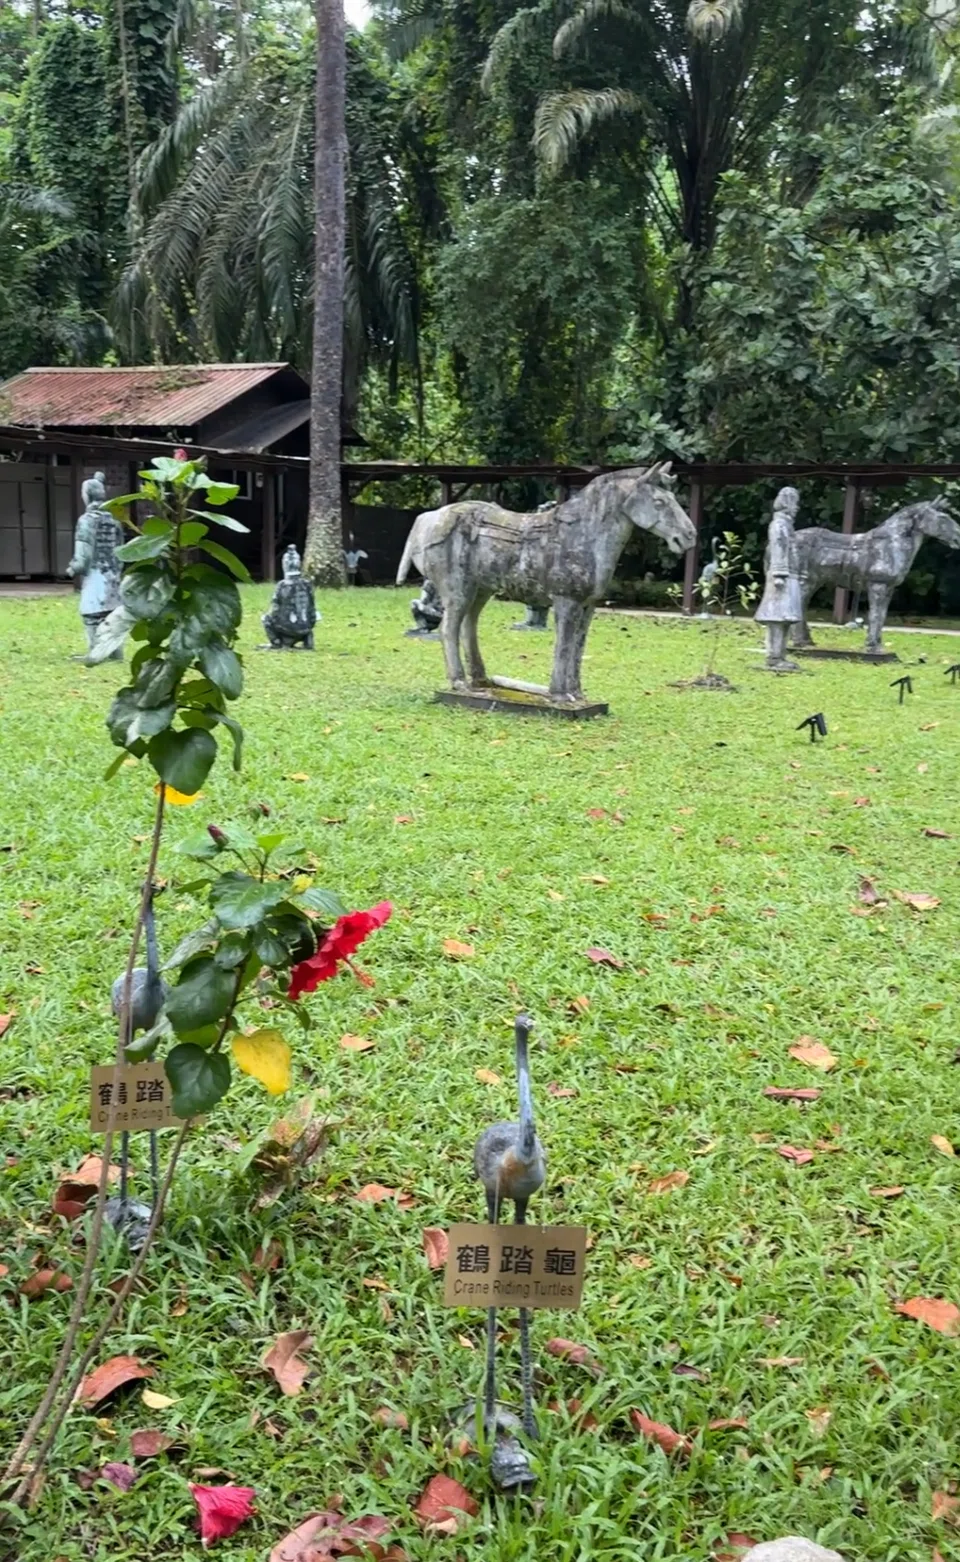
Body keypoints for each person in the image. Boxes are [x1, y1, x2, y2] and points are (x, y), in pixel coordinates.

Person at [66, 472, 124, 657]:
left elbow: (83, 554)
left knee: (91, 614)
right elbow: (122, 550)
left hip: (96, 574)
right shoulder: (114, 521)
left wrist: (73, 568)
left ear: (87, 495)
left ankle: (95, 651)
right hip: (113, 573)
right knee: (111, 615)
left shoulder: (86, 520)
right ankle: (115, 652)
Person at [755, 486, 803, 670]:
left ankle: (780, 655)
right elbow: (778, 549)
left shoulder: (786, 525)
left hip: (790, 575)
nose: (797, 507)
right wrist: (779, 574)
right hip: (782, 576)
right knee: (777, 618)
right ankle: (774, 657)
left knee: (786, 618)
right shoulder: (779, 525)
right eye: (795, 503)